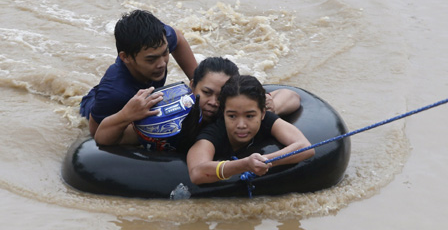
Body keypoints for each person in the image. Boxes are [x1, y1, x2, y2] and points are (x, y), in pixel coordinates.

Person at [94, 56, 301, 152]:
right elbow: (102, 139)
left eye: (220, 96)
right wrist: (126, 115)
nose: (212, 102)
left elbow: (292, 96)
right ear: (192, 86)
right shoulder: (168, 113)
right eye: (206, 92)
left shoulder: (236, 111)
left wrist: (272, 105)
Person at [80, 9, 197, 137]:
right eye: (151, 59)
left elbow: (178, 37)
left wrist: (198, 82)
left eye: (165, 53)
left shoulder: (157, 41)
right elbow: (95, 132)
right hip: (105, 111)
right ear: (125, 57)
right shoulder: (114, 92)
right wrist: (126, 115)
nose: (162, 64)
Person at [187, 75, 315, 185]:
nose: (241, 125)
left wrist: (267, 160)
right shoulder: (214, 132)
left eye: (249, 116)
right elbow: (197, 172)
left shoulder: (267, 120)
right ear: (223, 113)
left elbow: (305, 147)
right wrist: (245, 164)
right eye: (232, 116)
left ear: (262, 113)